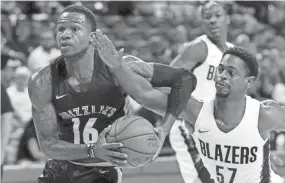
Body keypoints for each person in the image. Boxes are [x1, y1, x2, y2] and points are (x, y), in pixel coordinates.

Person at [28, 4, 197, 183]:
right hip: (60, 171)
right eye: (61, 29)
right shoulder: (43, 81)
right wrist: (92, 149)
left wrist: (164, 129)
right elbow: (48, 145)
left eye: (75, 29)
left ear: (92, 37)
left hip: (103, 173)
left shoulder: (119, 68)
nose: (65, 34)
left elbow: (185, 79)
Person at [126, 46, 285, 183]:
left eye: (231, 72)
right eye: (221, 69)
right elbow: (144, 95)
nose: (222, 75)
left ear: (249, 82)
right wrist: (123, 67)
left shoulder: (265, 114)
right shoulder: (195, 111)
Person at [169, 1, 233, 183]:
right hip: (191, 126)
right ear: (202, 22)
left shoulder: (233, 53)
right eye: (207, 17)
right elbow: (166, 79)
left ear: (228, 19)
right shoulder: (199, 48)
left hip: (219, 130)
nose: (213, 20)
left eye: (218, 15)